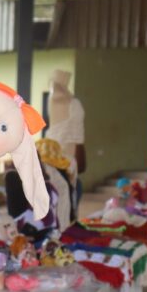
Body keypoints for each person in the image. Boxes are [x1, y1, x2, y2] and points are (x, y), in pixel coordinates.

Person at [46, 69, 86, 215]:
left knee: (71, 190)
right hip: (60, 153)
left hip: (65, 152)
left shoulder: (66, 101)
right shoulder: (63, 100)